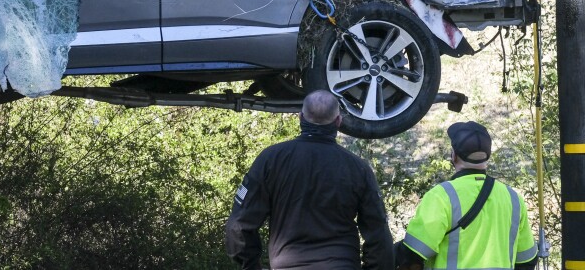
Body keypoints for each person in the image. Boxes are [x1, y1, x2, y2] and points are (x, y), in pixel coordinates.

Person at [225, 90, 394, 270]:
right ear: (338, 121)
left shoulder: (271, 160)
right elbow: (378, 234)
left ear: (300, 118)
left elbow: (238, 225)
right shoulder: (358, 168)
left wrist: (250, 265)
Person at [397, 121, 538, 270]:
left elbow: (413, 254)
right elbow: (527, 260)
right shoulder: (513, 198)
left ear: (454, 156)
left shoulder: (441, 196)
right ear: (487, 157)